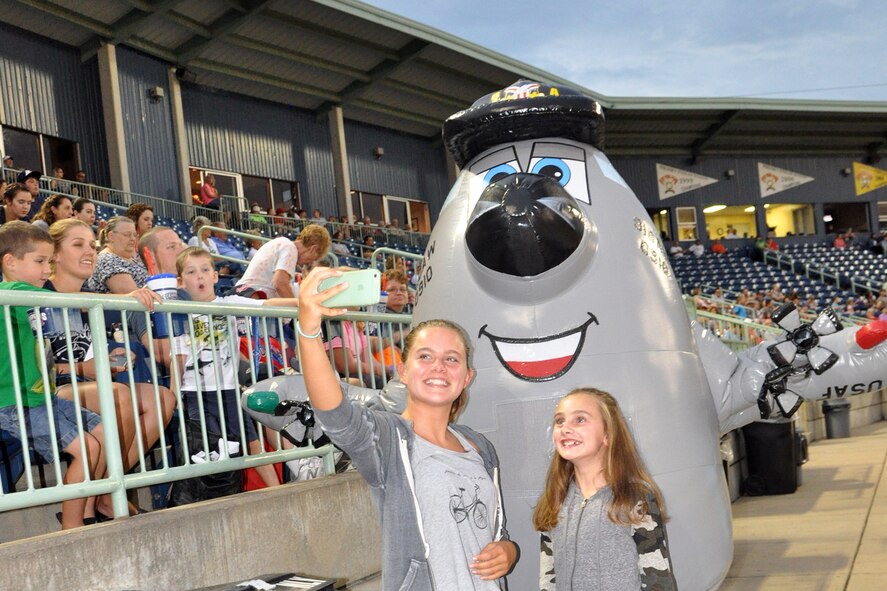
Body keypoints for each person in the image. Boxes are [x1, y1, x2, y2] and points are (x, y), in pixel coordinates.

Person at [298, 266, 518, 589]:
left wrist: (508, 550)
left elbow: (495, 529)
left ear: (466, 377)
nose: (439, 367)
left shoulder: (480, 447)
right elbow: (336, 416)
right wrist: (308, 330)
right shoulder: (389, 440)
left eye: (452, 359)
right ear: (402, 371)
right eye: (425, 356)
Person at [44, 219, 172, 483]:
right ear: (55, 253)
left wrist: (109, 361)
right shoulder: (37, 293)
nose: (89, 251)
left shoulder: (90, 297)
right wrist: (83, 368)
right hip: (51, 390)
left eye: (92, 246)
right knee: (118, 395)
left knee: (162, 398)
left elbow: (86, 354)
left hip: (85, 384)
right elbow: (33, 370)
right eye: (78, 245)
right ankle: (105, 490)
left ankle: (109, 484)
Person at [0, 221, 107, 529]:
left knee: (103, 435)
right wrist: (127, 297)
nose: (47, 270)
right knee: (87, 448)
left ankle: (88, 511)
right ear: (10, 262)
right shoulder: (12, 291)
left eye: (49, 261)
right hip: (15, 402)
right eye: (40, 261)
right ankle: (72, 526)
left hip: (41, 397)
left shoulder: (28, 294)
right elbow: (67, 301)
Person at [174, 247, 301, 488]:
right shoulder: (179, 313)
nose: (199, 276)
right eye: (191, 272)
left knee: (251, 442)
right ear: (181, 282)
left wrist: (301, 302)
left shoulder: (229, 303)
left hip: (228, 389)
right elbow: (178, 358)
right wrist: (175, 393)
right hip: (195, 393)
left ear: (215, 276)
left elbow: (268, 304)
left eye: (205, 270)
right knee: (207, 448)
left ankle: (277, 489)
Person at [534, 388, 676, 591]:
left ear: (607, 434)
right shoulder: (555, 499)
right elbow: (548, 577)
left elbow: (658, 579)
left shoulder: (635, 497)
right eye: (560, 421)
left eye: (580, 419)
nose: (565, 428)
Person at [234, 223, 330, 299]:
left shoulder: (283, 244)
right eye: (314, 258)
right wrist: (298, 311)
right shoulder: (290, 247)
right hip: (251, 298)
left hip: (247, 296)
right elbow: (280, 284)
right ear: (313, 249)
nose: (308, 263)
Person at [87, 216, 148, 293]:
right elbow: (133, 295)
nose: (133, 239)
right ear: (111, 236)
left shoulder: (130, 259)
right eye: (127, 234)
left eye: (134, 235)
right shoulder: (107, 260)